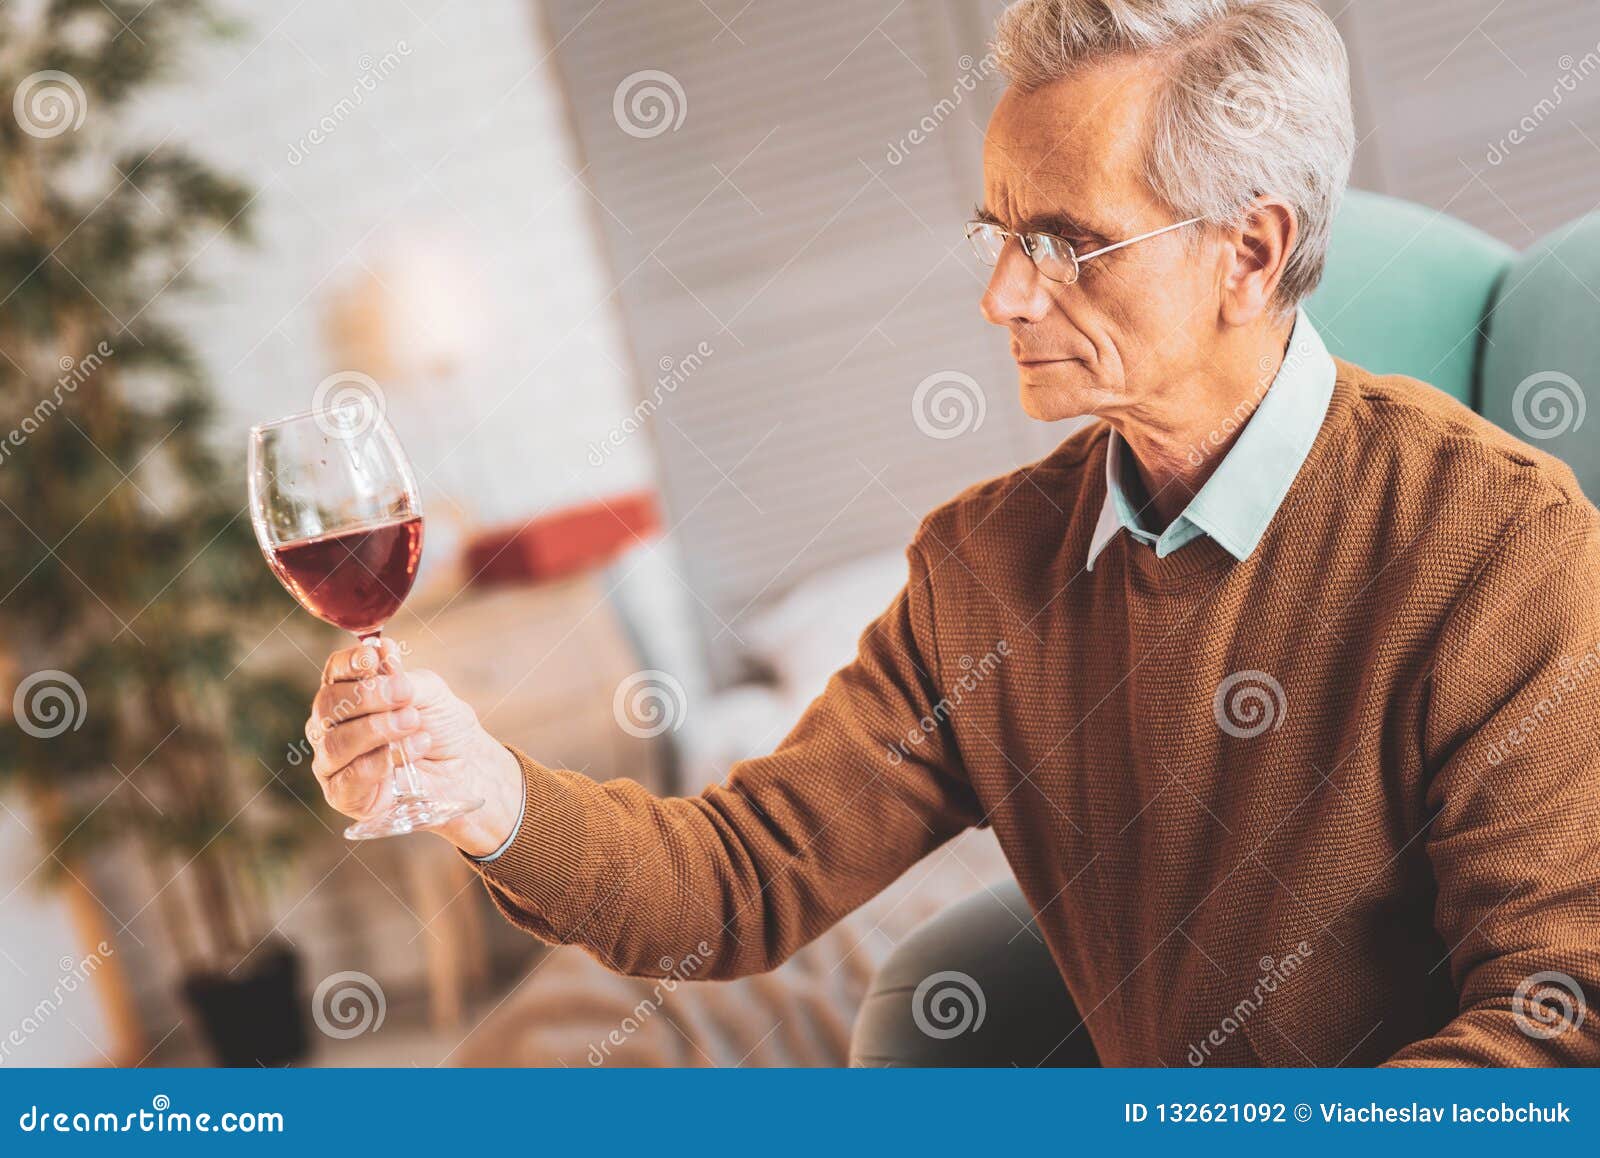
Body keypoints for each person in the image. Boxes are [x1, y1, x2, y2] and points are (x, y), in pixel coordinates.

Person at [302, 0, 1600, 1066]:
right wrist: (485, 789)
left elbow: (1556, 1015)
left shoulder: (1500, 547)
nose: (1001, 294)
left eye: (1067, 242)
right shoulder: (986, 574)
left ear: (1248, 254)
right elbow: (738, 880)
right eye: (998, 232)